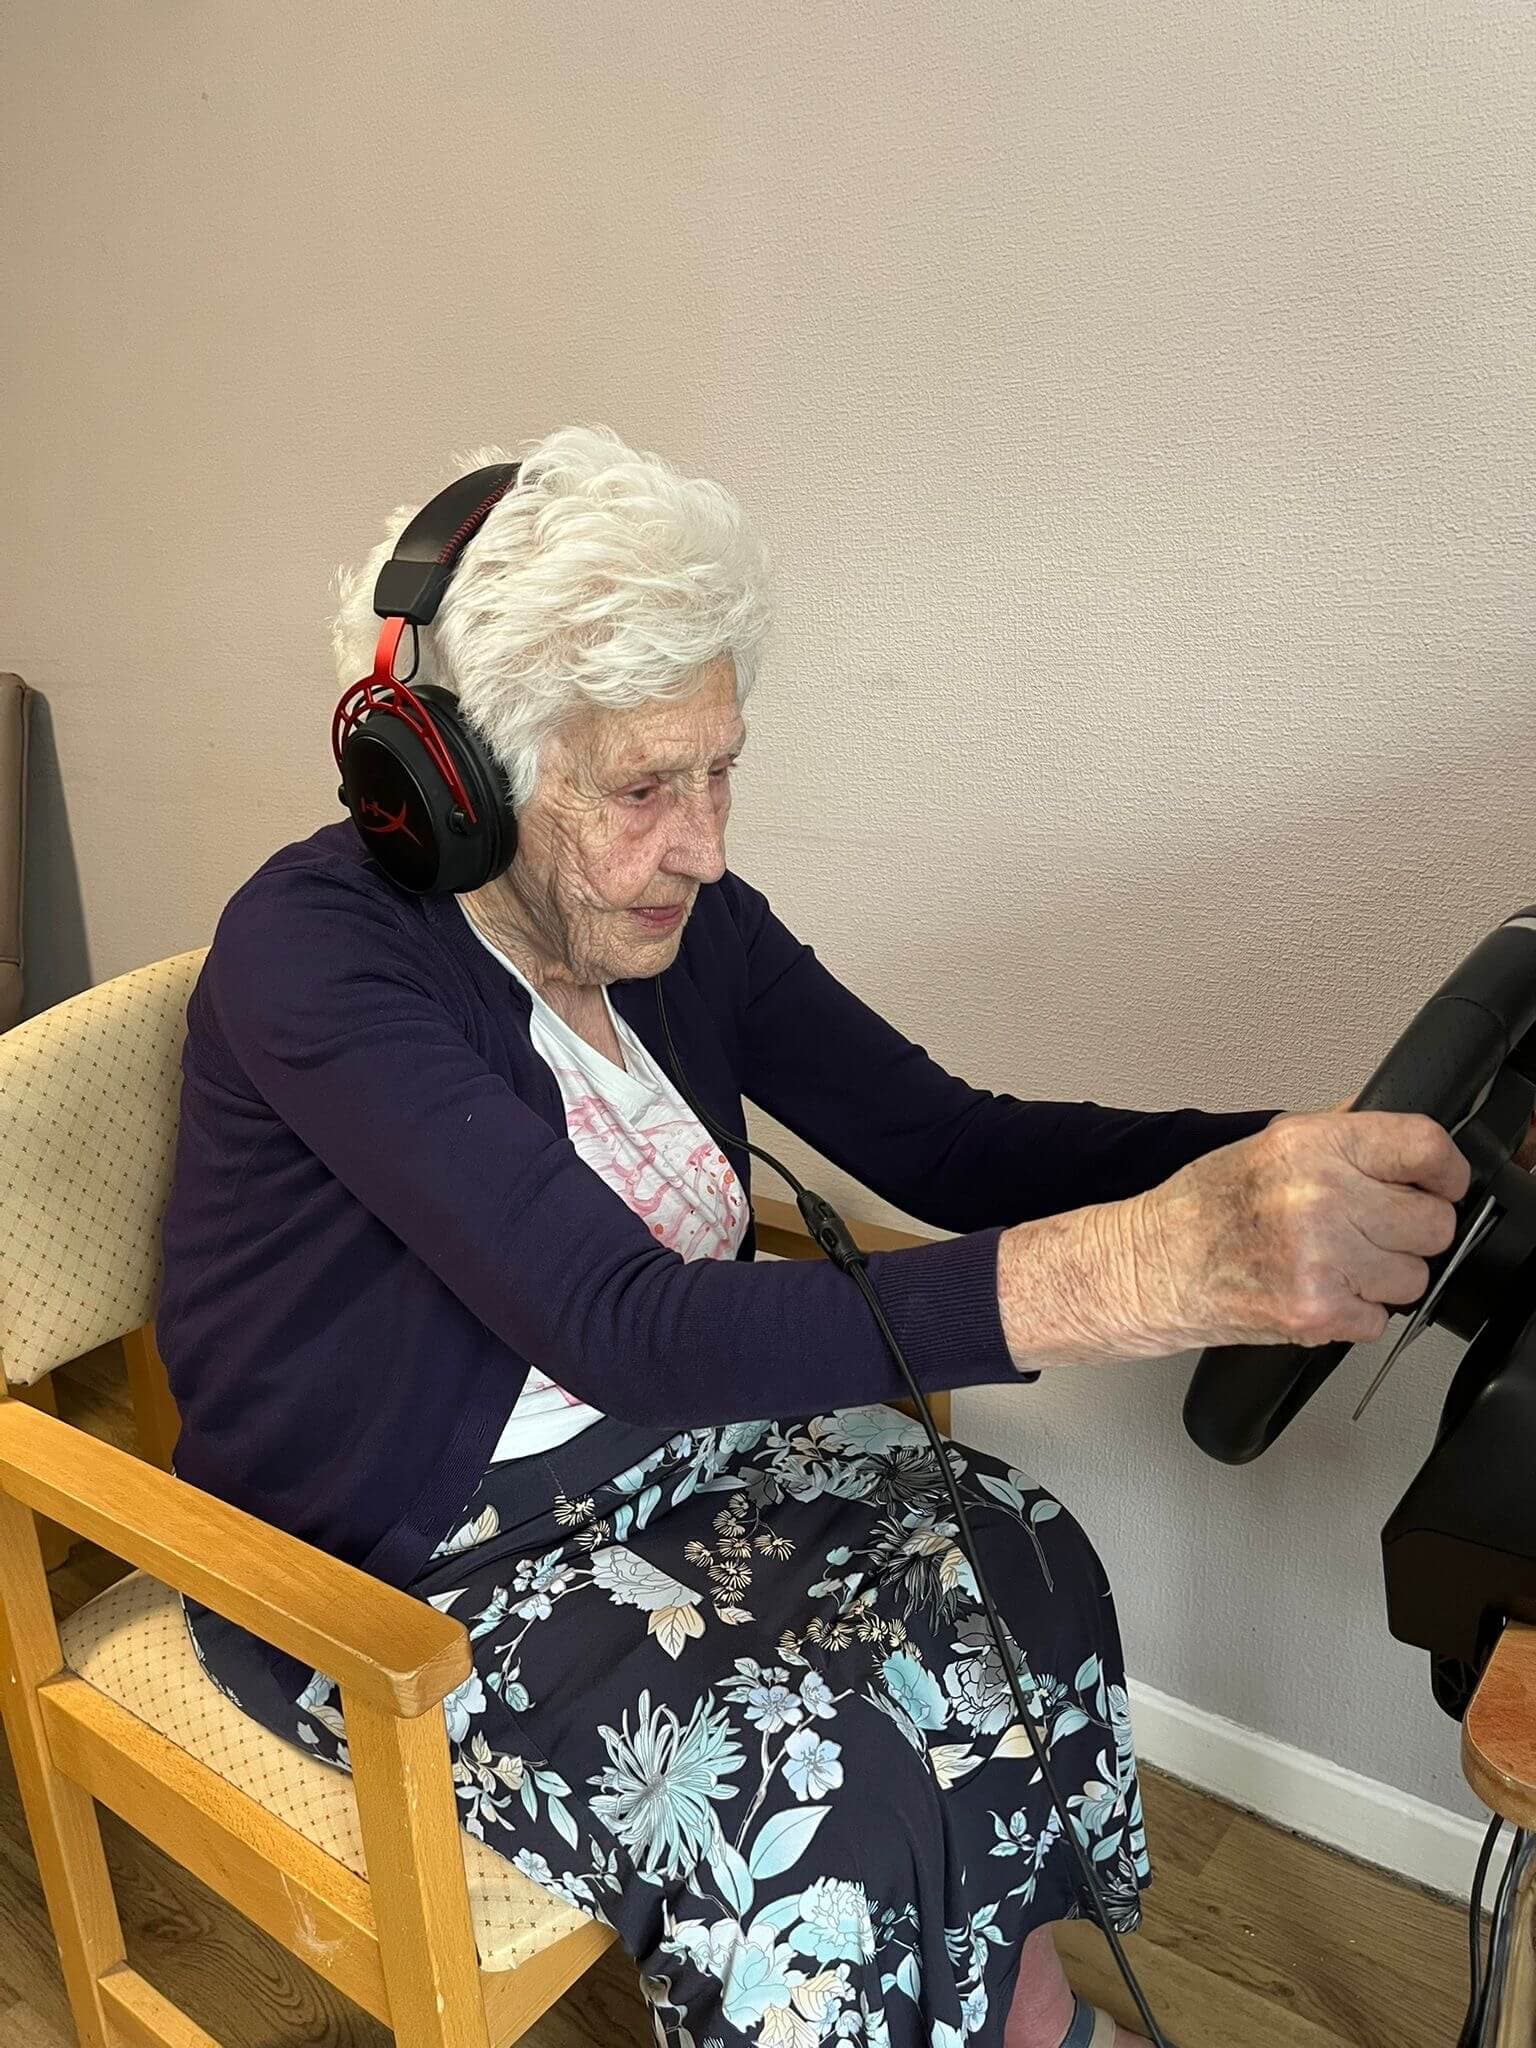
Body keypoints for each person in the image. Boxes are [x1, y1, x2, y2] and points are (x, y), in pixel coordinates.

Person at [158, 426, 1470, 2048]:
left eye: (721, 768)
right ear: (454, 779)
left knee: (1012, 1556)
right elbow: (625, 1323)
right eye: (644, 786)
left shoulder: (669, 920)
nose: (703, 842)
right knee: (822, 1785)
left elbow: (950, 1139)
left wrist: (1273, 1160)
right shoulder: (315, 956)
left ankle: (1016, 2015)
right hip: (398, 1566)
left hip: (664, 1459)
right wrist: (1148, 1271)